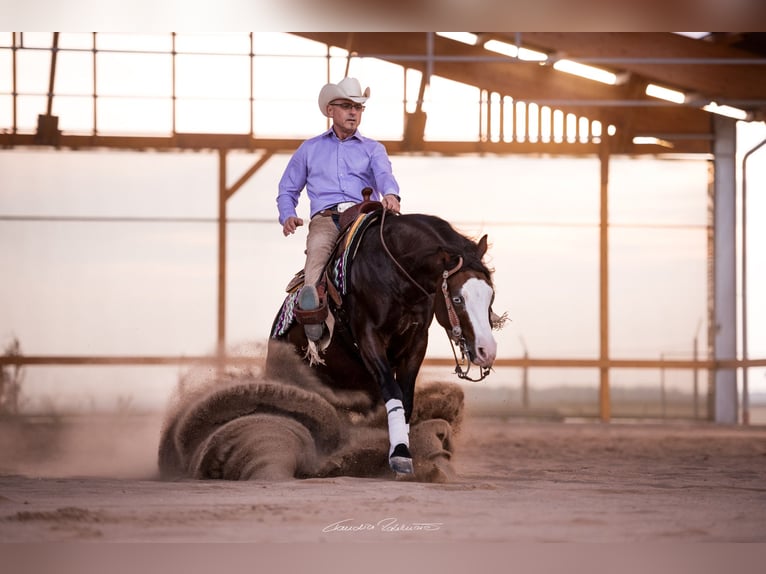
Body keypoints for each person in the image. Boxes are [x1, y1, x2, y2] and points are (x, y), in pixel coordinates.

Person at [277, 77, 401, 341]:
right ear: (330, 111)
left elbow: (384, 174)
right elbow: (288, 189)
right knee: (316, 263)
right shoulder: (309, 149)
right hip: (326, 219)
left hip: (365, 217)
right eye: (346, 106)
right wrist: (288, 214)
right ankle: (315, 321)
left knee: (395, 258)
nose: (354, 112)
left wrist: (390, 193)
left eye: (358, 107)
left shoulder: (373, 149)